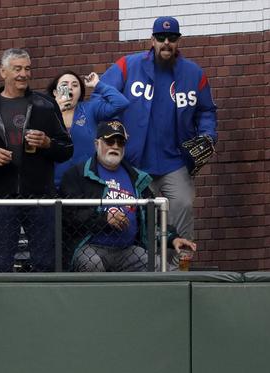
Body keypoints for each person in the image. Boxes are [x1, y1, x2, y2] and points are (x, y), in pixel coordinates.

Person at [101, 16, 216, 245]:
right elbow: (102, 95)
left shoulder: (194, 73)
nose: (166, 42)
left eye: (172, 38)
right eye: (161, 37)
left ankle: (178, 272)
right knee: (138, 216)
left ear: (179, 41)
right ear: (151, 40)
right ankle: (141, 269)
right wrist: (112, 129)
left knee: (182, 204)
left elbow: (206, 110)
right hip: (135, 162)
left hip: (175, 161)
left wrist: (207, 135)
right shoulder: (128, 65)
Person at [0, 48, 70, 272]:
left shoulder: (46, 104)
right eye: (17, 69)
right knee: (1, 263)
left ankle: (42, 306)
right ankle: (1, 306)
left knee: (46, 264)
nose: (23, 74)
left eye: (27, 68)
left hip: (40, 198)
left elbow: (67, 149)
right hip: (2, 198)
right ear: (2, 72)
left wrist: (47, 143)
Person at [59, 119, 195, 272]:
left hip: (127, 250)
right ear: (97, 144)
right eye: (110, 141)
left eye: (120, 142)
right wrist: (104, 219)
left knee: (162, 269)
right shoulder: (78, 175)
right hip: (90, 248)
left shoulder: (138, 179)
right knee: (93, 264)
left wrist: (173, 239)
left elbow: (153, 222)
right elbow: (68, 216)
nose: (115, 146)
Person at [48, 69, 126, 189]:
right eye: (64, 85)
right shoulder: (46, 112)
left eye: (75, 85)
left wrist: (97, 85)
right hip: (55, 183)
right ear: (54, 92)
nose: (69, 88)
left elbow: (121, 103)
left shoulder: (90, 108)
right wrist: (55, 111)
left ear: (80, 92)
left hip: (87, 181)